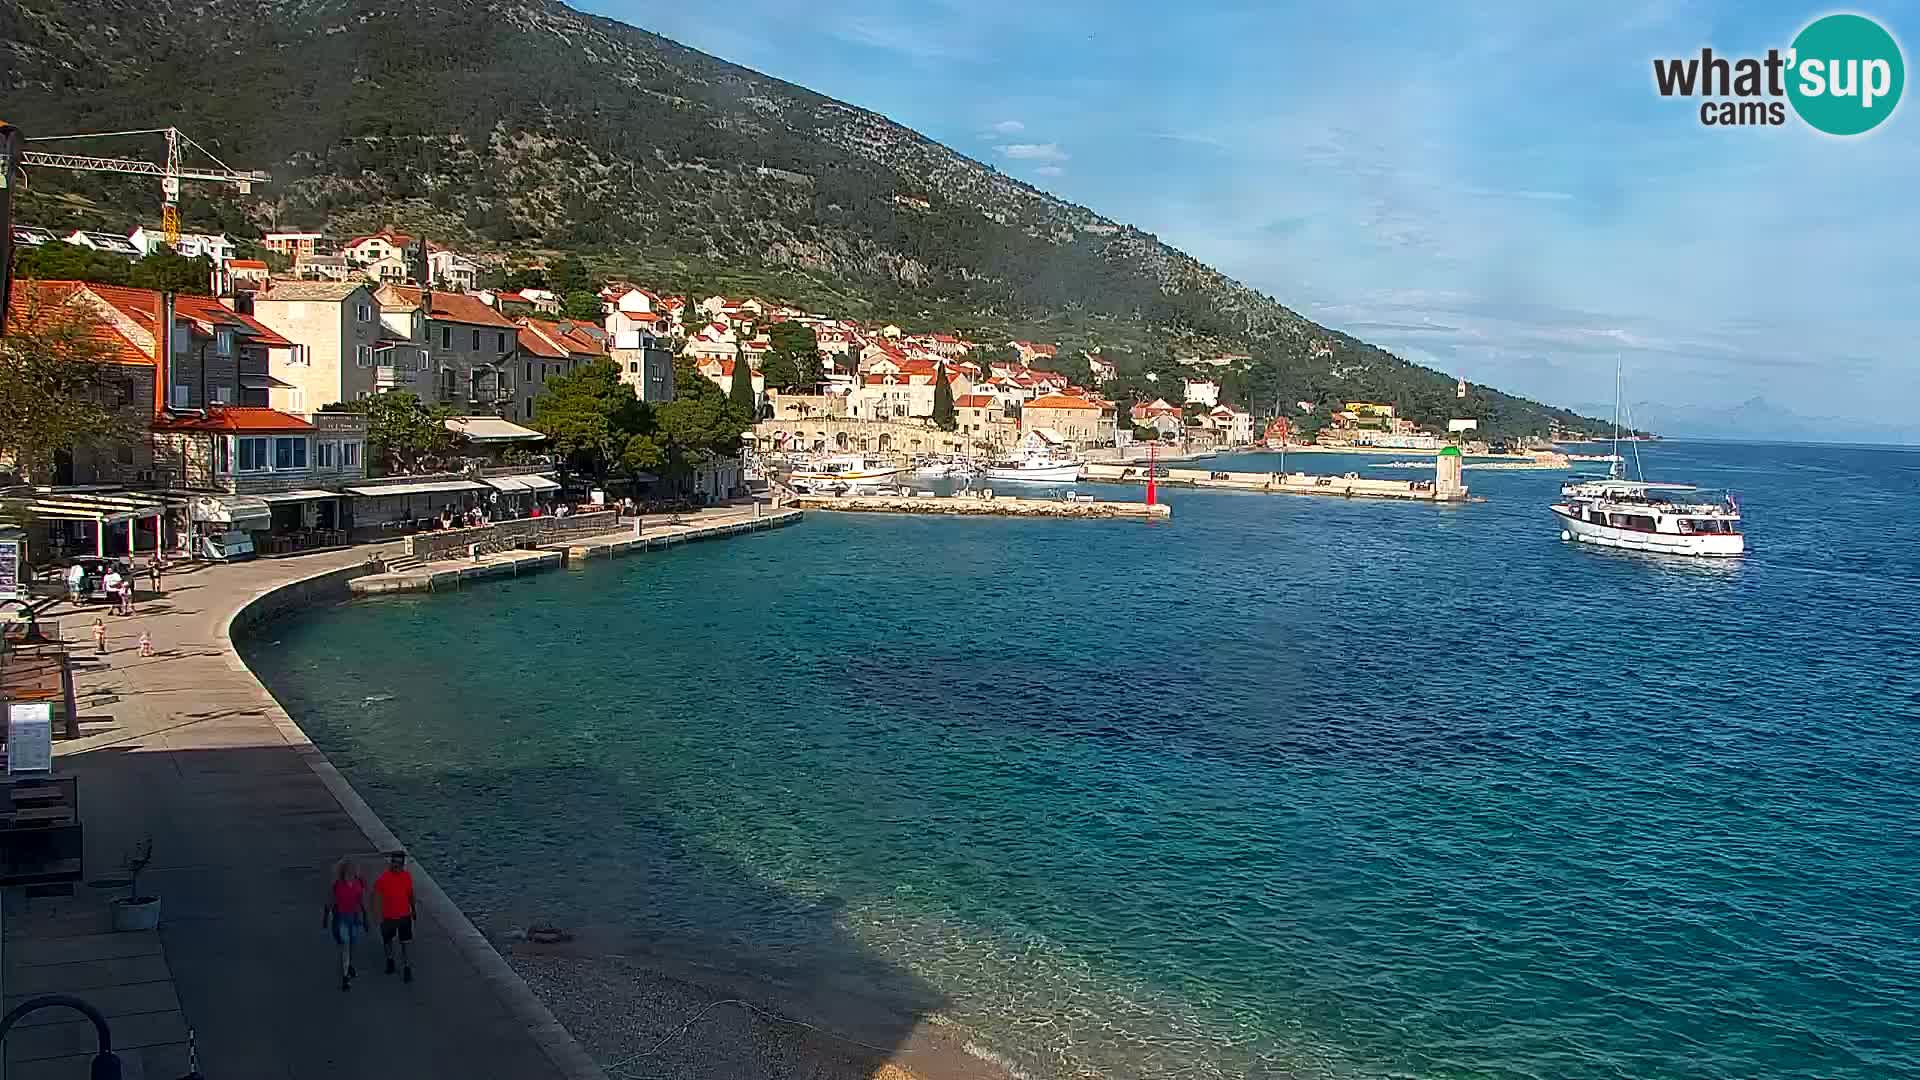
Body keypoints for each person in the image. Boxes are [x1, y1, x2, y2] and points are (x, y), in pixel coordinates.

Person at [324, 858, 369, 991]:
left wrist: (365, 918)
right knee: (346, 945)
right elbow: (331, 901)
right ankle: (345, 976)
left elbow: (362, 902)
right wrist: (326, 917)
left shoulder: (358, 885)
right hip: (342, 919)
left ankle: (348, 965)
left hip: (353, 919)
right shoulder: (338, 885)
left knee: (351, 944)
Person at [374, 850, 416, 982]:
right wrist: (377, 914)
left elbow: (410, 894)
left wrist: (413, 909)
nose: (396, 866)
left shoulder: (407, 876)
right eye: (394, 862)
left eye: (399, 863)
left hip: (404, 915)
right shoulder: (383, 879)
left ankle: (406, 967)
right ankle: (390, 960)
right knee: (388, 940)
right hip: (388, 916)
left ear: (403, 864)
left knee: (405, 943)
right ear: (391, 863)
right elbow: (377, 898)